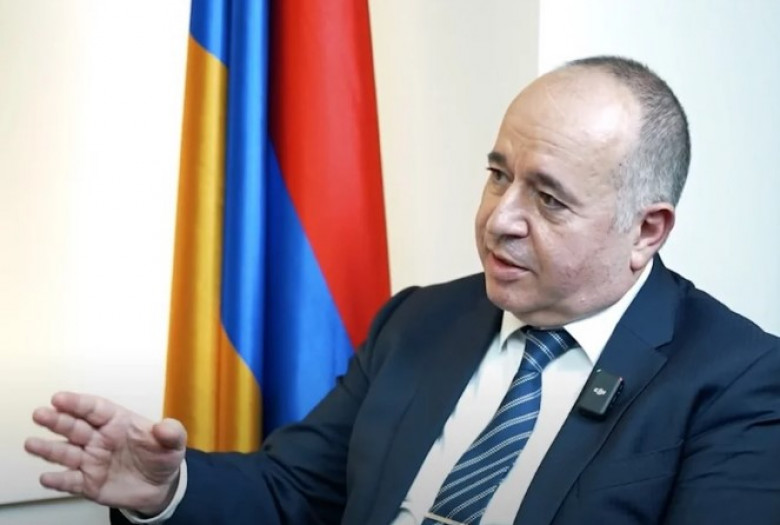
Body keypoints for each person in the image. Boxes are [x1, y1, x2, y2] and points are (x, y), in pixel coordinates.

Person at [25, 56, 780, 525]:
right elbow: (295, 492)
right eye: (498, 175)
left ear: (647, 230)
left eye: (549, 199)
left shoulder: (737, 378)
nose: (500, 218)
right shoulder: (421, 319)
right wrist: (168, 488)